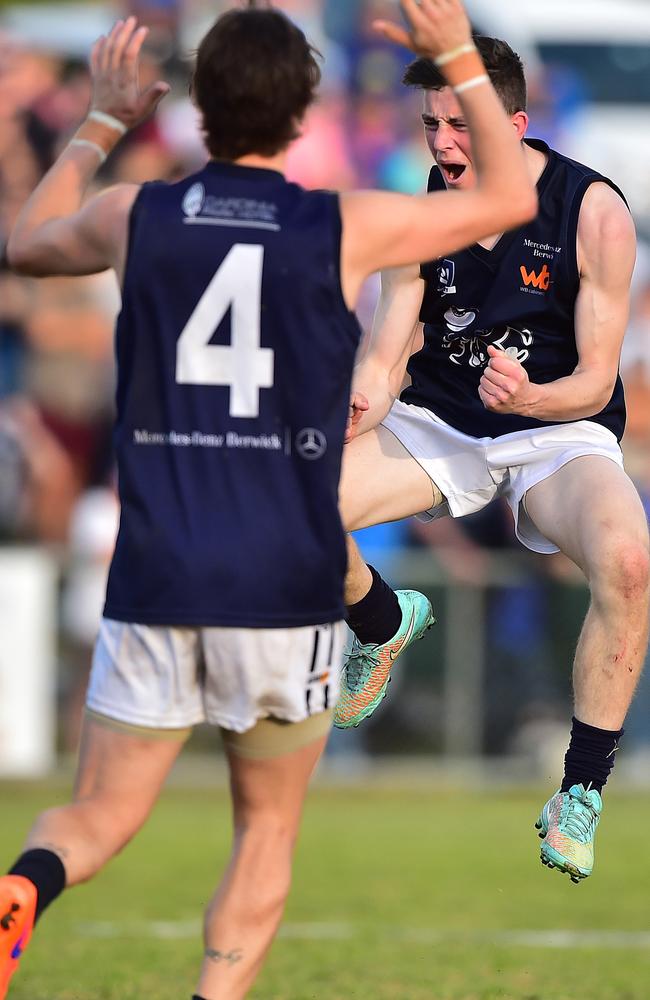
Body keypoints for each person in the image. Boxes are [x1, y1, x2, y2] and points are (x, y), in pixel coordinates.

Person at [0, 4, 536, 999]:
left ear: (200, 109)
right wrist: (453, 52)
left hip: (156, 572)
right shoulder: (342, 221)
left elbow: (26, 243)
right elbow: (507, 195)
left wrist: (104, 119)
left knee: (95, 820)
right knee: (265, 828)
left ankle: (24, 886)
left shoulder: (136, 214)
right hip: (284, 584)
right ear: (300, 116)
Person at [333, 35, 648, 885]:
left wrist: (534, 400)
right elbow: (387, 348)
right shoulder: (418, 208)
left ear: (513, 124)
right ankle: (378, 622)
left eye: (459, 124)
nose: (441, 143)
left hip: (555, 427)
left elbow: (591, 381)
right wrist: (364, 398)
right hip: (440, 420)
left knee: (627, 559)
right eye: (431, 123)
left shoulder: (594, 211)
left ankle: (579, 790)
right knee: (289, 499)